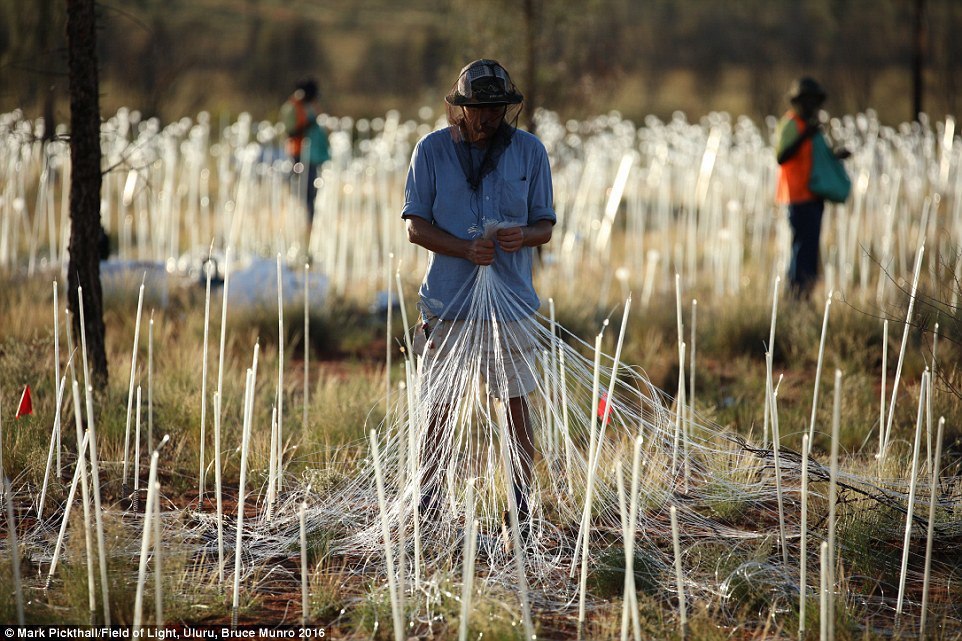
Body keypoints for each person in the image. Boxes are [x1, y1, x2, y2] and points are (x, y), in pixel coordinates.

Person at [401, 59, 555, 534]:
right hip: (448, 304)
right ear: (460, 108)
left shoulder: (530, 152)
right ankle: (427, 506)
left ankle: (521, 509)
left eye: (497, 108)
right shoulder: (430, 151)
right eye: (479, 109)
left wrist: (522, 237)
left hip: (509, 305)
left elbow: (544, 226)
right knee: (438, 408)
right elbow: (415, 226)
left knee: (514, 406)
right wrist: (465, 248)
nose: (488, 118)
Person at [775, 76, 851, 299]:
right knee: (802, 250)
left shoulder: (812, 128)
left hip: (813, 197)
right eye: (808, 101)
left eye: (815, 102)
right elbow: (781, 156)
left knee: (809, 251)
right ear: (798, 102)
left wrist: (836, 156)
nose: (812, 106)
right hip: (797, 198)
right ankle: (796, 295)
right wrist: (803, 137)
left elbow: (817, 160)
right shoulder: (791, 124)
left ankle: (802, 295)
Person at [281, 78, 330, 227]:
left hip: (313, 156)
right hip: (298, 154)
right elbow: (290, 131)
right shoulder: (292, 107)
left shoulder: (311, 106)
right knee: (301, 189)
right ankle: (301, 220)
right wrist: (308, 125)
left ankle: (311, 221)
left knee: (312, 190)